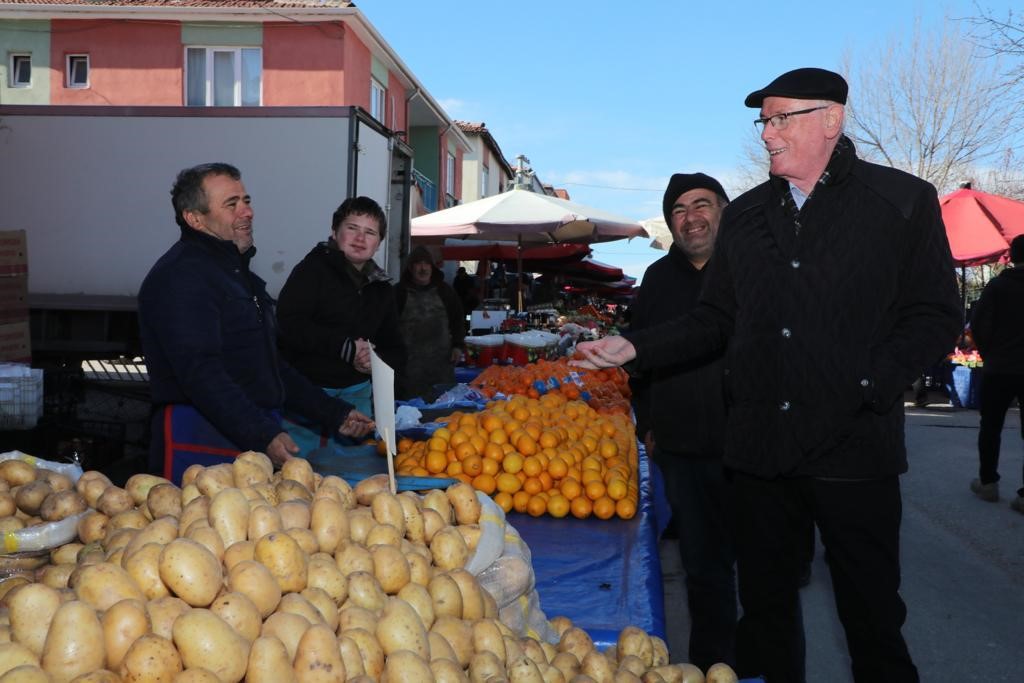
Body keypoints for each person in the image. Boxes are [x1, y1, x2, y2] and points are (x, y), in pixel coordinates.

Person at [574, 68, 961, 682]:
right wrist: (635, 348)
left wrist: (871, 385)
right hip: (758, 452)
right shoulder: (748, 217)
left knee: (873, 618)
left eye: (783, 119)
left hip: (854, 448)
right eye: (765, 121)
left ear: (831, 119)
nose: (768, 134)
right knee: (766, 617)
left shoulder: (902, 202)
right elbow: (714, 318)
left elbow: (936, 311)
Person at [138, 162, 374, 474]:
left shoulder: (236, 274)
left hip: (245, 434)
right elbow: (201, 373)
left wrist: (335, 413)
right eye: (231, 204)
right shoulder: (182, 276)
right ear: (195, 218)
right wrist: (262, 433)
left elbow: (269, 367)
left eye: (246, 201)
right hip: (201, 439)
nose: (246, 212)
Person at [629, 172, 735, 670]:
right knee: (704, 567)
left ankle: (761, 660)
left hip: (751, 444)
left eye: (702, 205)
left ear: (722, 209)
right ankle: (713, 665)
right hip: (684, 445)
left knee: (764, 568)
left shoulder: (750, 269)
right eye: (679, 210)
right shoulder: (657, 280)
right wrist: (647, 421)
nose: (691, 218)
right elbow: (639, 357)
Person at [276, 196, 405, 452]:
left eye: (370, 232)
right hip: (308, 398)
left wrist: (374, 360)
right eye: (352, 228)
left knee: (351, 481)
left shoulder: (382, 288)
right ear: (334, 232)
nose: (360, 238)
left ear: (378, 243)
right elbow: (289, 325)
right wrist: (345, 348)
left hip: (357, 400)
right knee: (299, 476)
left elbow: (398, 349)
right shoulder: (311, 271)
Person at [969, 234, 1024, 512]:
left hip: (999, 367)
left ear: (1012, 257)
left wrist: (991, 353)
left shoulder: (997, 286)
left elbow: (978, 324)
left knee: (991, 426)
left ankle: (988, 483)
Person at [395, 246, 466, 400]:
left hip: (441, 365)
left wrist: (458, 346)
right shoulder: (398, 293)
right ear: (410, 267)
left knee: (443, 411)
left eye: (426, 264)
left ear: (432, 267)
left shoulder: (445, 291)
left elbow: (457, 320)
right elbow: (388, 327)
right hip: (408, 368)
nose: (423, 268)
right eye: (418, 264)